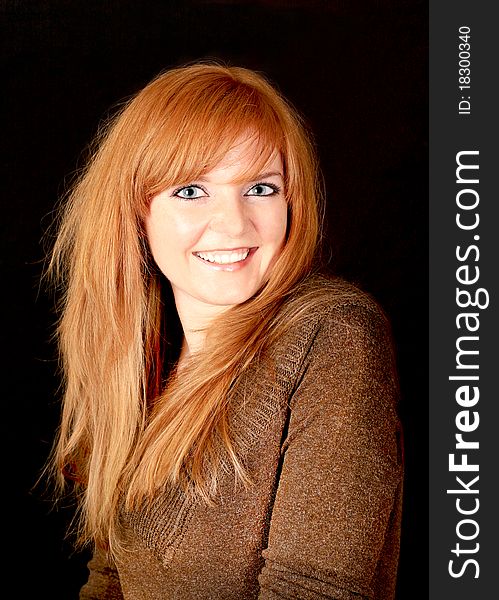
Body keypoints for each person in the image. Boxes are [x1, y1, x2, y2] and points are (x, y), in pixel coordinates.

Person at [47, 62, 404, 599]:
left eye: (260, 187)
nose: (235, 224)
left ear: (292, 202)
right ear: (134, 212)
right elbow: (112, 580)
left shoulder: (331, 334)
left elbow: (315, 591)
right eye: (192, 190)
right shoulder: (139, 362)